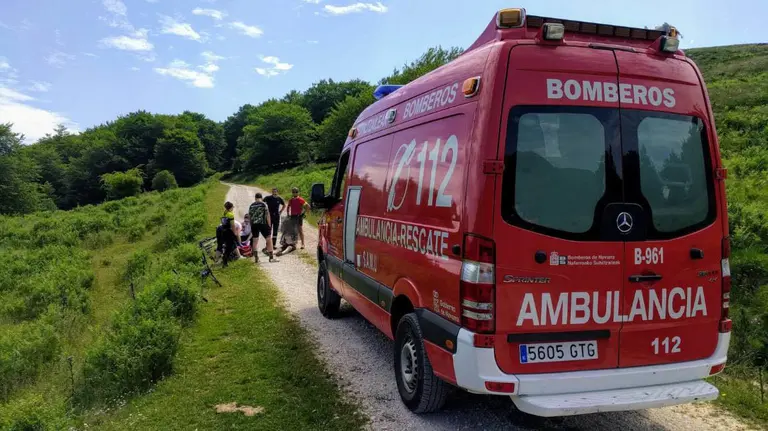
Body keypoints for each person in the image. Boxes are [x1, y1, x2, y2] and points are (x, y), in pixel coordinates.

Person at [249, 192, 278, 263]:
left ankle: (256, 258)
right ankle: (271, 258)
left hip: (254, 225)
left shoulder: (251, 205)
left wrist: (251, 225)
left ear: (255, 198)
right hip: (263, 224)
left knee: (255, 241)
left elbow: (250, 217)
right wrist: (269, 225)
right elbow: (268, 215)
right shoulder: (264, 204)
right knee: (269, 239)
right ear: (261, 198)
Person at [221, 201, 237, 267]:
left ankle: (226, 259)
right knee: (229, 247)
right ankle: (225, 260)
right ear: (230, 208)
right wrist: (235, 233)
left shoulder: (225, 212)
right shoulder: (231, 214)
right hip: (229, 231)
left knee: (230, 245)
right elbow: (232, 225)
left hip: (224, 231)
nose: (233, 208)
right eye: (232, 207)